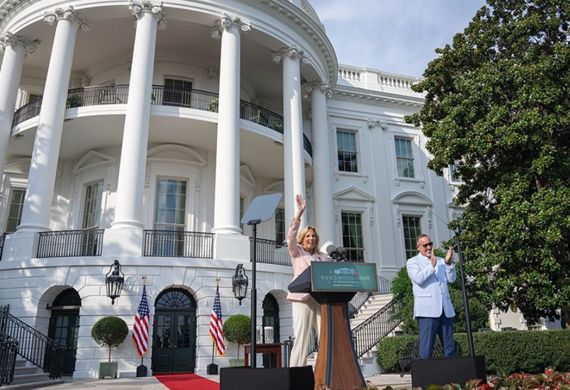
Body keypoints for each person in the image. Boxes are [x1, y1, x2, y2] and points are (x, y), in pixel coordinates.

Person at [287, 194, 327, 367]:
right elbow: (290, 238)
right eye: (308, 236)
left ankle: (324, 373)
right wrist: (299, 214)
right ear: (303, 239)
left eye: (313, 236)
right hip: (302, 299)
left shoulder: (323, 257)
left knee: (325, 338)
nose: (311, 239)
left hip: (320, 301)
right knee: (302, 339)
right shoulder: (297, 253)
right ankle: (295, 373)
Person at [406, 234, 456, 359]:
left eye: (430, 244)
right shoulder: (412, 262)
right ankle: (426, 377)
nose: (429, 247)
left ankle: (451, 376)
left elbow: (452, 279)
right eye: (425, 245)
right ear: (418, 247)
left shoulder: (440, 260)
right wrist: (431, 266)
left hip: (445, 309)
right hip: (427, 311)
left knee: (449, 347)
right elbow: (418, 279)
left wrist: (448, 263)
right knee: (426, 348)